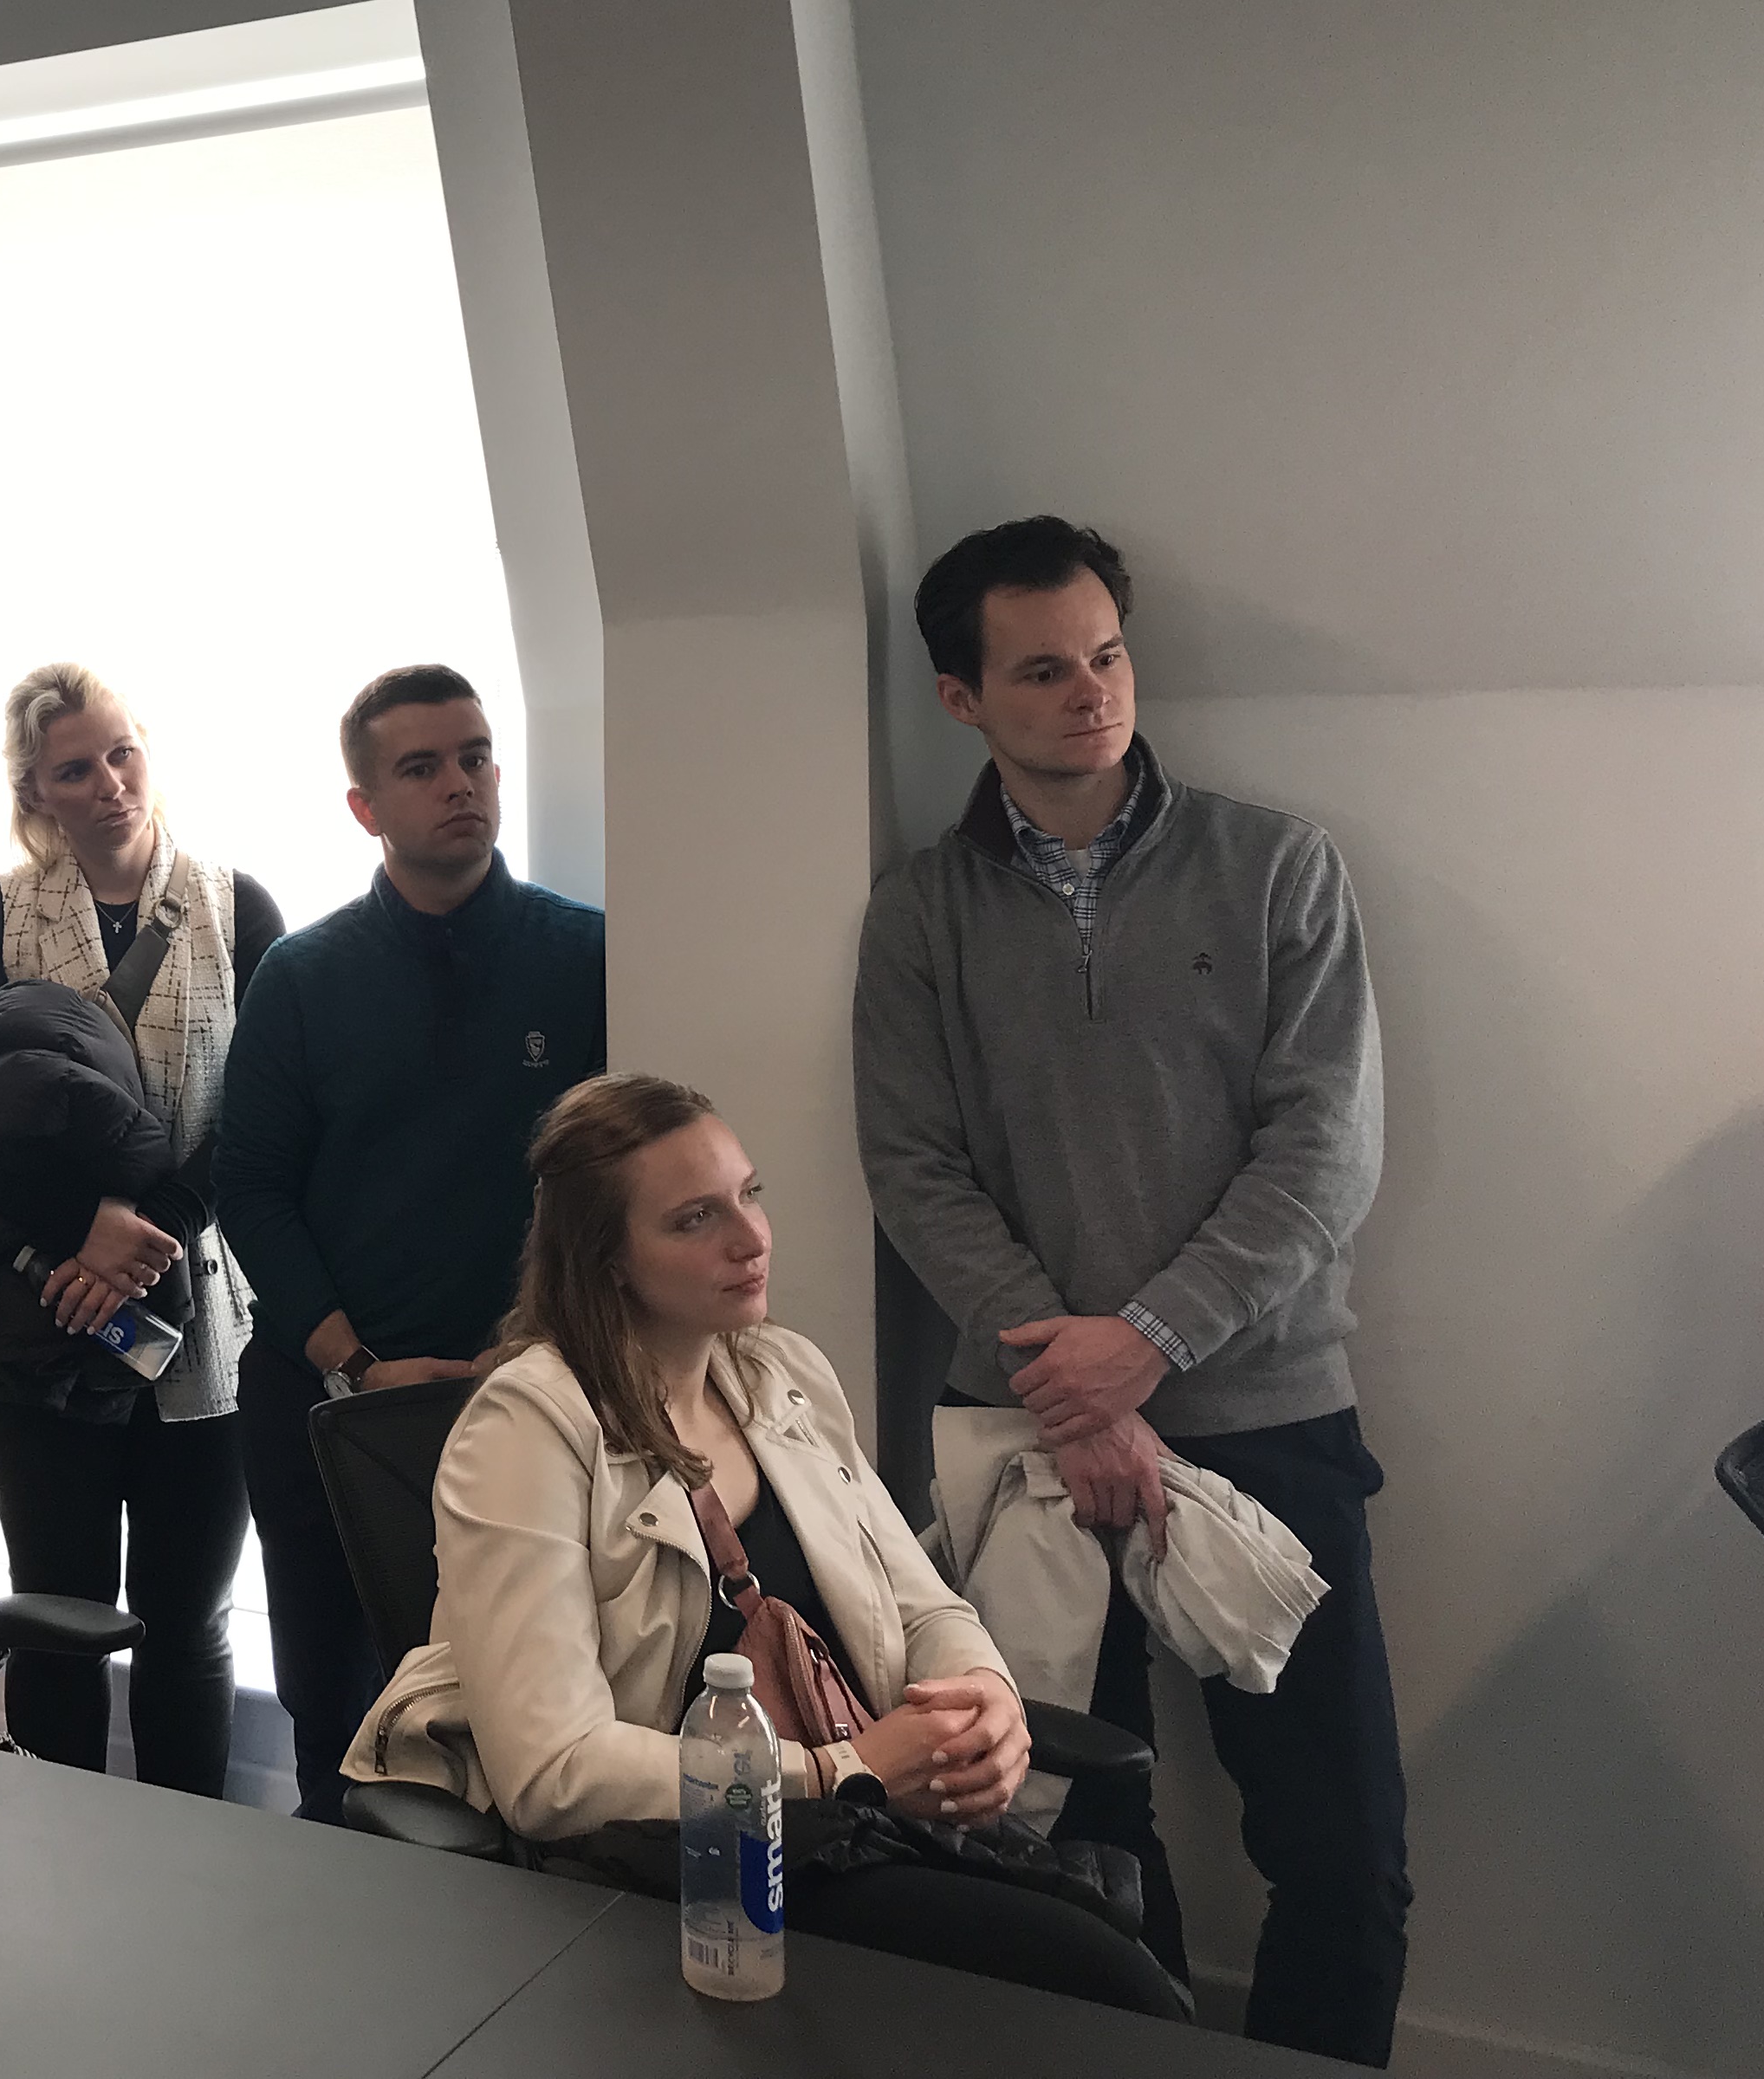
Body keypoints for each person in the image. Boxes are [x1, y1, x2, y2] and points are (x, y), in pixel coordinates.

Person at [854, 516, 1405, 2065]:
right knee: (1066, 1848)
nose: (1090, 691)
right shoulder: (922, 913)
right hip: (1026, 1434)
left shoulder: (1277, 865)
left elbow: (1325, 1149)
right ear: (961, 698)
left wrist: (1144, 1344)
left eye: (1105, 655)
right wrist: (1076, 1387)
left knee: (1343, 1850)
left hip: (1268, 1416)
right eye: (1041, 670)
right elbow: (914, 1168)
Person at [350, 1072, 1026, 1837]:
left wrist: (985, 1694)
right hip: (686, 1860)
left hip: (853, 1824)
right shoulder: (529, 1428)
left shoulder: (782, 1371)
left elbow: (921, 1605)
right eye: (696, 1219)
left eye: (750, 1194)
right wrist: (839, 1773)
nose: (751, 1238)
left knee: (1093, 1909)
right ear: (606, 1257)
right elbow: (553, 1772)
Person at [217, 662, 603, 1823]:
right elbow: (250, 1190)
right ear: (365, 806)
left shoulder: (586, 957)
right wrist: (354, 1364)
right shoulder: (303, 977)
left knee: (520, 1719)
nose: (460, 785)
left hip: (530, 1395)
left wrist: (540, 1354)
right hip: (336, 1403)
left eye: (476, 756)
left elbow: (620, 1187)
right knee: (337, 1724)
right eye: (423, 767)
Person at [0, 664, 282, 1795]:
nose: (110, 783)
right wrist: (81, 1230)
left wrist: (151, 1226)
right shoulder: (0, 920)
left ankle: (188, 1852)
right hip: (44, 1303)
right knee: (59, 1611)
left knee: (188, 1619)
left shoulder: (235, 908)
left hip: (202, 1312)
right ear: (36, 792)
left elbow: (266, 1105)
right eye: (76, 770)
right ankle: (55, 1858)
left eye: (123, 754)